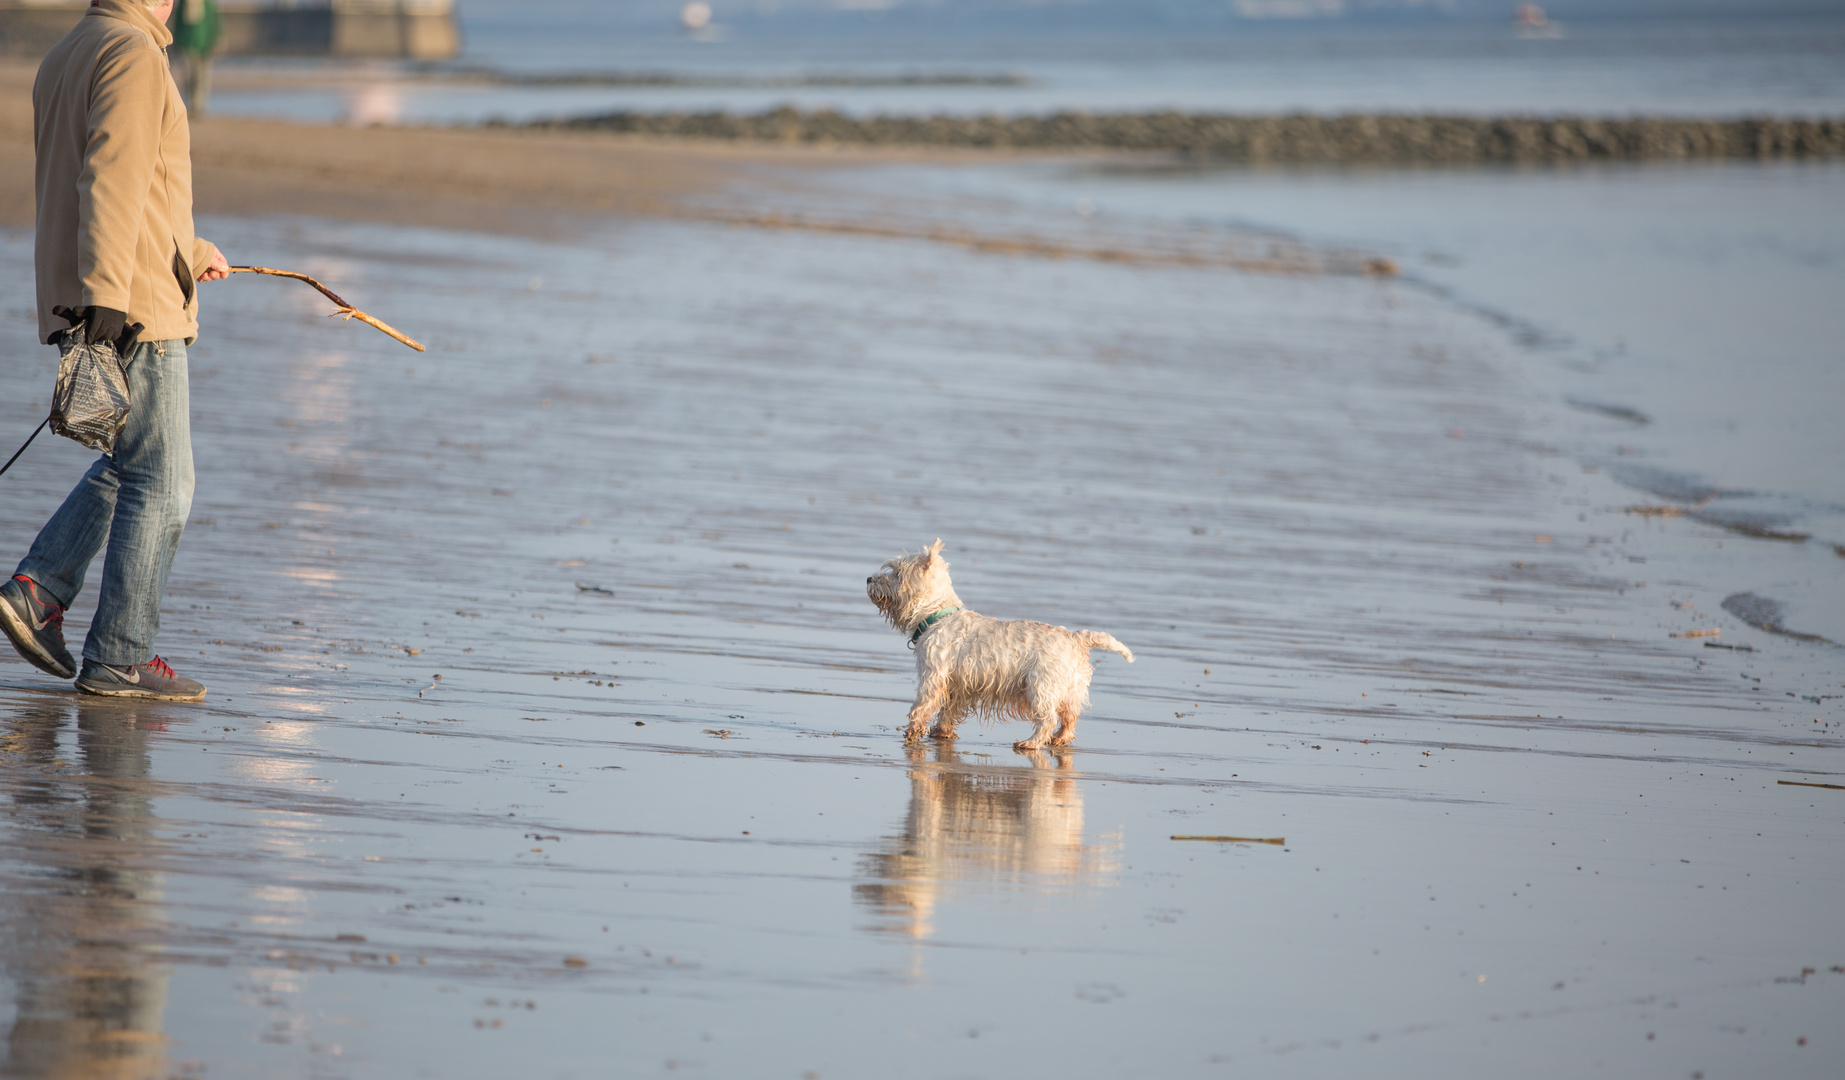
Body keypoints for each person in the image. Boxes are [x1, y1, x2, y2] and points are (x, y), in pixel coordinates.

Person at [0, 0, 228, 701]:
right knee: (165, 481)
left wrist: (188, 254)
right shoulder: (132, 52)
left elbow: (122, 184)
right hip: (127, 306)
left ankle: (39, 593)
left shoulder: (74, 48)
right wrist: (109, 295)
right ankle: (120, 656)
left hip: (99, 292)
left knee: (135, 466)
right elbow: (109, 178)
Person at [172, 0, 218, 115]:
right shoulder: (183, 4)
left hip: (204, 46)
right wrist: (176, 41)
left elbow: (213, 23)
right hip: (186, 45)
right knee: (188, 78)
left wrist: (214, 41)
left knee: (201, 78)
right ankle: (191, 104)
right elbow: (177, 24)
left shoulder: (207, 4)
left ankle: (198, 106)